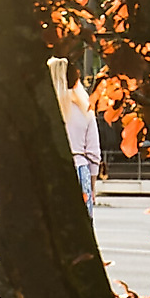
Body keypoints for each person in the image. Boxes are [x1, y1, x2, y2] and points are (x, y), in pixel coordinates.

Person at [48, 57, 103, 211]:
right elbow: (94, 154)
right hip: (79, 169)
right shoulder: (85, 110)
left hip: (49, 170)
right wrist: (92, 187)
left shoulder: (43, 113)